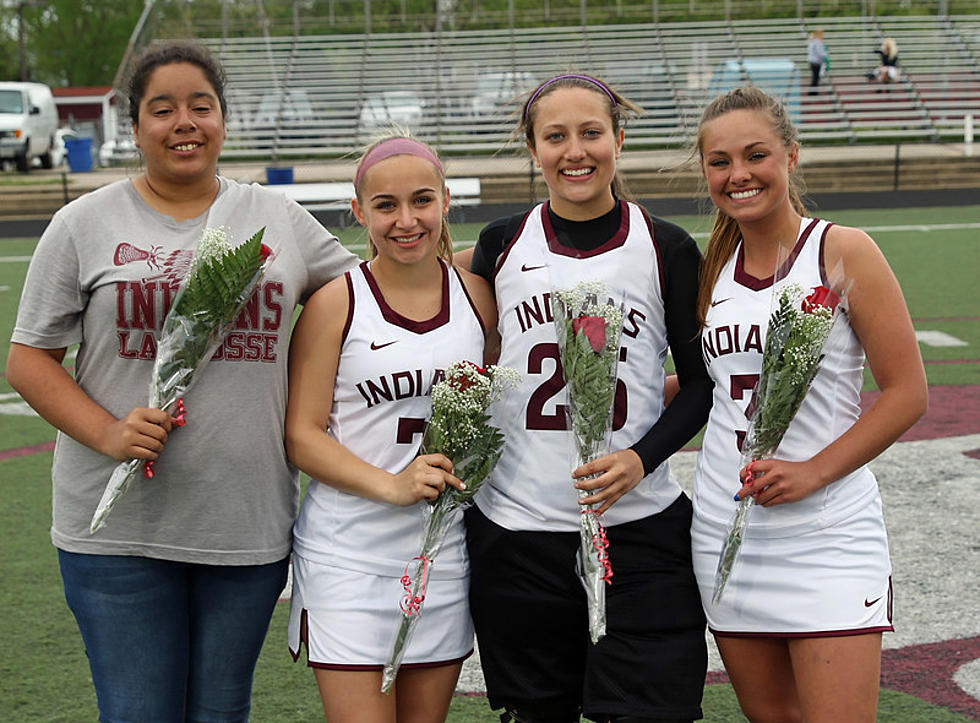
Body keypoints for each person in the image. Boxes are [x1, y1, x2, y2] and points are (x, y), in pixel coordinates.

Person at [5, 42, 359, 720]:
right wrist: (108, 431)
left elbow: (369, 292)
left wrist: (489, 259)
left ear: (224, 121)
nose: (184, 122)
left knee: (221, 711)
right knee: (139, 711)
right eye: (161, 109)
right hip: (115, 534)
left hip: (245, 522)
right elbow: (28, 358)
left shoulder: (274, 216)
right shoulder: (83, 223)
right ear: (135, 129)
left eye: (202, 106)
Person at [463, 73, 713, 722]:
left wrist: (641, 458)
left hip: (640, 529)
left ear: (618, 140)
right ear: (532, 149)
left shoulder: (665, 246)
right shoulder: (498, 244)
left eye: (591, 133)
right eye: (556, 136)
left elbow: (701, 384)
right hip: (520, 531)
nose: (575, 151)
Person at [691, 86, 927, 722]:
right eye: (719, 162)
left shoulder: (842, 250)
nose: (738, 174)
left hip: (827, 531)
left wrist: (812, 471)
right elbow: (714, 387)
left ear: (791, 156)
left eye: (756, 154)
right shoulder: (712, 265)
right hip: (726, 526)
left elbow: (907, 393)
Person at [284, 133, 497, 720]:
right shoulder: (336, 302)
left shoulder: (479, 300)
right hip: (348, 556)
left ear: (446, 202)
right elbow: (301, 435)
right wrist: (392, 484)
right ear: (359, 212)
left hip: (443, 556)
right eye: (385, 206)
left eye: (422, 201)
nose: (407, 220)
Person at [806, 29, 829, 94]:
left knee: (815, 77)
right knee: (816, 78)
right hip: (816, 62)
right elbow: (820, 53)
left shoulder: (812, 41)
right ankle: (812, 92)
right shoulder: (818, 42)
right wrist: (826, 54)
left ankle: (814, 92)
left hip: (812, 61)